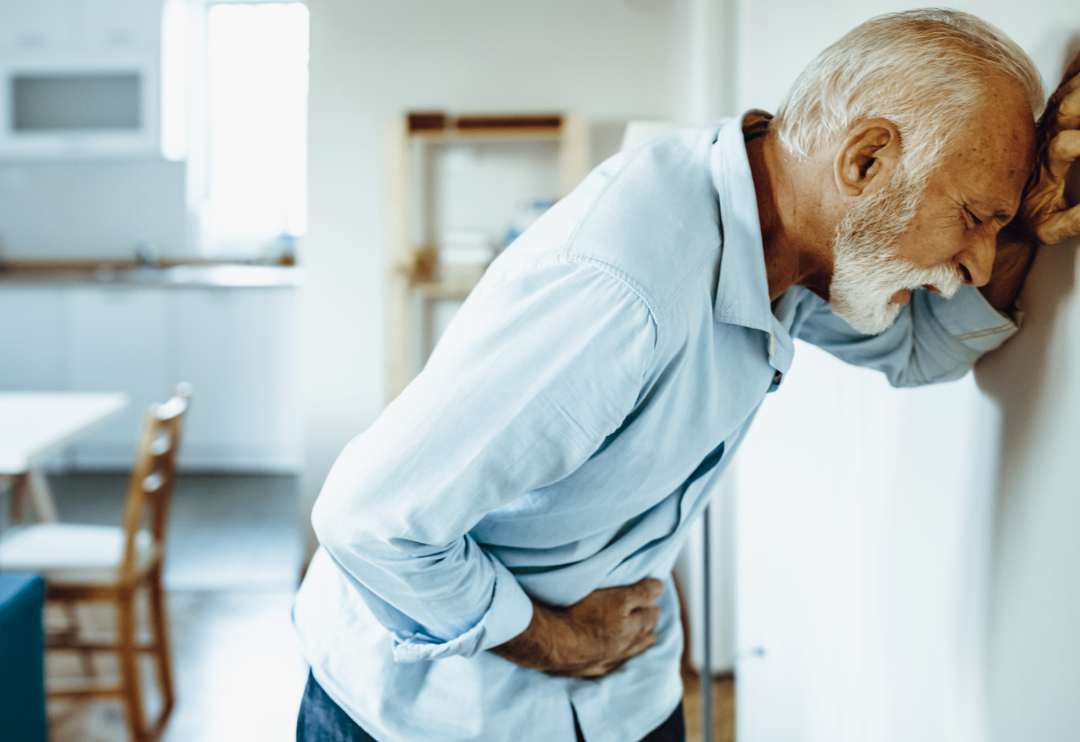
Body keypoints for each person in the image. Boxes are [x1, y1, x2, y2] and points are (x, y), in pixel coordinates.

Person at [293, 9, 1080, 742]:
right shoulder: (623, 292)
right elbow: (370, 519)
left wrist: (1033, 210)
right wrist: (554, 639)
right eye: (977, 218)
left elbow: (927, 352)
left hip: (623, 691)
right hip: (444, 709)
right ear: (866, 160)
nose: (979, 263)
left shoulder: (787, 235)